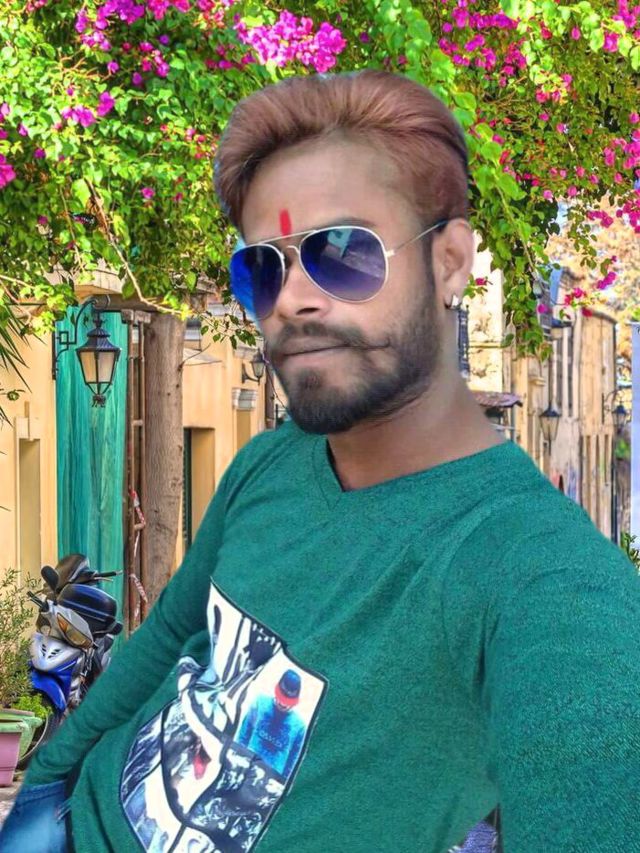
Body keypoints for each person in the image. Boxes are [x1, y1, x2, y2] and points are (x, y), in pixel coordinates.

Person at [2, 69, 639, 853]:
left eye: (344, 253)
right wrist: (48, 784)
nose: (293, 299)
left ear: (450, 261)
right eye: (263, 269)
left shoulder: (541, 575)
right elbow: (168, 634)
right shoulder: (269, 465)